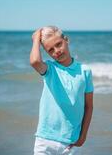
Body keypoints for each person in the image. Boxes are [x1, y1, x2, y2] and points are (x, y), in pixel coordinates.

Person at [30, 26, 94, 155]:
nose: (56, 51)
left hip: (71, 143)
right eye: (51, 50)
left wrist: (83, 136)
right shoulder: (49, 69)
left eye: (58, 44)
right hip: (45, 140)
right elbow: (35, 61)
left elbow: (89, 106)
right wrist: (36, 38)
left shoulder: (84, 71)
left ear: (66, 40)